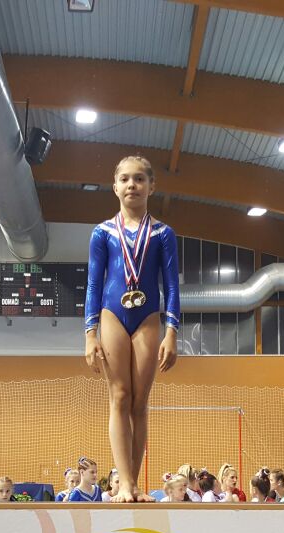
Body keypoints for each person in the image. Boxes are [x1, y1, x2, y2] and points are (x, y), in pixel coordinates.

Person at [83, 155, 181, 502]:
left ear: (151, 186)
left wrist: (172, 332)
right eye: (124, 179)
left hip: (148, 317)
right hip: (112, 314)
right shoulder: (103, 233)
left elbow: (172, 286)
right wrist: (90, 333)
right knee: (120, 396)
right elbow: (94, 284)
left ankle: (134, 484)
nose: (132, 185)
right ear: (115, 187)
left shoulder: (163, 233)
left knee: (140, 403)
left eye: (139, 179)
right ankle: (123, 483)